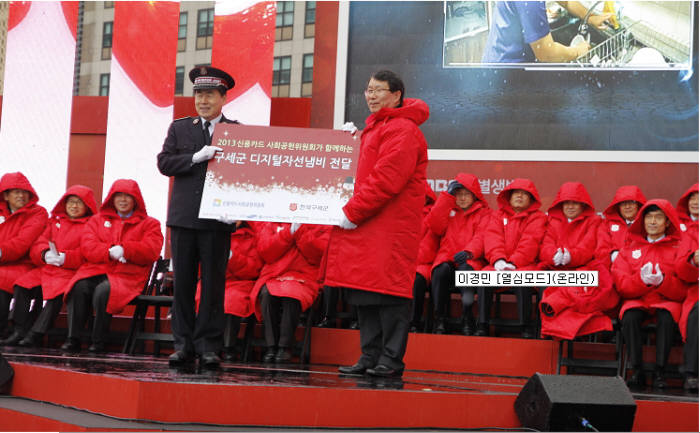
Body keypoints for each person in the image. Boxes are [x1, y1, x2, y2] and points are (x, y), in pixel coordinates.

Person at [323, 70, 429, 378]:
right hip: (369, 226)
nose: (370, 95)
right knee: (365, 291)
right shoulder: (374, 129)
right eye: (368, 90)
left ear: (396, 96)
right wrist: (346, 144)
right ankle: (369, 356)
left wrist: (352, 212)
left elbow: (386, 180)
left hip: (389, 228)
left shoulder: (404, 130)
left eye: (378, 90)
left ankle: (391, 359)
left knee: (390, 295)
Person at [157, 66, 239, 368]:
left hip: (218, 221)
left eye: (209, 95)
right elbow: (164, 163)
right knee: (184, 285)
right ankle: (183, 345)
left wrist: (238, 212)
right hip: (183, 219)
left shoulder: (236, 130)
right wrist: (194, 157)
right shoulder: (180, 128)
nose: (203, 101)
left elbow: (244, 175)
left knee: (214, 286)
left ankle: (208, 346)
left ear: (223, 98)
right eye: (199, 95)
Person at [61, 179, 163, 353]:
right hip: (96, 270)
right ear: (112, 199)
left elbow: (152, 250)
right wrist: (109, 251)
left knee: (104, 291)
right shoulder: (96, 220)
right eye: (118, 196)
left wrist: (126, 250)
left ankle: (98, 340)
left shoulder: (150, 224)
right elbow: (87, 247)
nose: (122, 200)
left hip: (127, 276)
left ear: (136, 200)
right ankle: (73, 338)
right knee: (78, 286)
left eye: (127, 197)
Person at [3, 186, 97, 347]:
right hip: (47, 268)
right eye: (71, 202)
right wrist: (44, 254)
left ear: (87, 206)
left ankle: (36, 334)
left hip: (71, 271)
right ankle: (19, 329)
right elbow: (38, 242)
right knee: (22, 285)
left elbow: (89, 251)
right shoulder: (54, 222)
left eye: (79, 203)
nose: (74, 206)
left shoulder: (91, 225)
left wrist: (66, 258)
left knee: (57, 294)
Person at [612, 200, 687, 389]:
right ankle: (636, 370)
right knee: (629, 317)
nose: (653, 222)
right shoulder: (629, 248)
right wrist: (642, 281)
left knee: (666, 318)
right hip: (638, 299)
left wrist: (663, 283)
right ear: (642, 221)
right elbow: (622, 285)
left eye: (659, 217)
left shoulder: (679, 248)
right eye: (649, 217)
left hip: (666, 300)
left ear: (668, 222)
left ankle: (660, 372)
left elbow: (683, 290)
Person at [537, 182, 618, 340]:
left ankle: (567, 333)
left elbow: (588, 247)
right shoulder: (553, 221)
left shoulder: (594, 221)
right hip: (554, 268)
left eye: (575, 203)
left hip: (581, 270)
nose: (570, 206)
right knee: (542, 283)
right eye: (567, 203)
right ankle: (547, 331)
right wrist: (552, 255)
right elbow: (546, 245)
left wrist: (571, 256)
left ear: (583, 205)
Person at [250, 222, 329, 363]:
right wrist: (288, 232)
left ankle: (285, 347)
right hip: (274, 274)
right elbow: (266, 252)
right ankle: (271, 346)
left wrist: (300, 231)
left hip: (305, 276)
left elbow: (319, 253)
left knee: (292, 294)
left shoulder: (323, 222)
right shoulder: (273, 221)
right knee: (266, 294)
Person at [480, 178, 546, 338]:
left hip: (525, 264)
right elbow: (492, 238)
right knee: (482, 278)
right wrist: (498, 260)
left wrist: (513, 263)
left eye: (524, 194)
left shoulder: (538, 218)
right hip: (498, 264)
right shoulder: (497, 216)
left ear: (532, 199)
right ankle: (482, 325)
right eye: (516, 193)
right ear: (509, 197)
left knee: (522, 279)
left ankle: (525, 327)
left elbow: (530, 242)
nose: (519, 196)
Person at [428, 173, 491, 335]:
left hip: (471, 260)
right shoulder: (448, 210)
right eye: (458, 194)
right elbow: (434, 226)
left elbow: (482, 237)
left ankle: (467, 318)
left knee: (466, 273)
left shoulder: (484, 213)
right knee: (440, 270)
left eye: (466, 194)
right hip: (448, 258)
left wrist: (469, 252)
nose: (462, 198)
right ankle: (439, 319)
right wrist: (446, 198)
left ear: (475, 195)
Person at [195, 220, 263, 361]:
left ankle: (227, 346)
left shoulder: (252, 238)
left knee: (232, 301)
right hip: (212, 282)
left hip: (241, 283)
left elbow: (253, 268)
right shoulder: (212, 236)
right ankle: (200, 344)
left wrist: (232, 257)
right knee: (201, 297)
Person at [482, 1, 613, 63]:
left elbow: (566, 2)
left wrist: (590, 17)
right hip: (507, 73)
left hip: (500, 57)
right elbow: (547, 54)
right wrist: (578, 51)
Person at [0, 172, 48, 340]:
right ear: (5, 195)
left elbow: (22, 243)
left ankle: (9, 329)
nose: (21, 196)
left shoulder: (38, 213)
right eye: (15, 192)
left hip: (24, 264)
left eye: (24, 192)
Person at [675, 184, 699, 391]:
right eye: (692, 197)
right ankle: (692, 373)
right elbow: (681, 268)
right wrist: (693, 260)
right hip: (693, 288)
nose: (696, 201)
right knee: (695, 314)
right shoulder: (691, 232)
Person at [596, 185, 647, 270]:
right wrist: (613, 255)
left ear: (638, 204)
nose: (627, 206)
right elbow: (600, 251)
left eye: (631, 202)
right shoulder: (607, 224)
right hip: (612, 269)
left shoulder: (648, 224)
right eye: (623, 203)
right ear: (618, 206)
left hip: (640, 271)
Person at [410, 183, 438, 332]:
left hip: (422, 264)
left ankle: (414, 322)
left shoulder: (432, 217)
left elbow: (429, 248)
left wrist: (407, 261)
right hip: (401, 263)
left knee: (417, 279)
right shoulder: (403, 215)